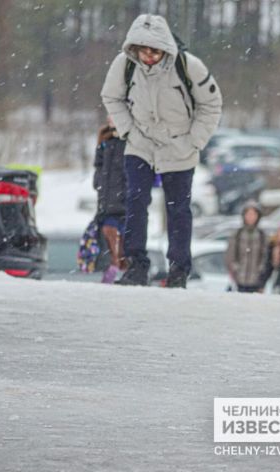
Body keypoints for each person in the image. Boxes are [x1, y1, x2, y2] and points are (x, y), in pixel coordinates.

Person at [101, 14, 222, 287]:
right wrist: (129, 131)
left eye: (154, 50)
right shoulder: (124, 66)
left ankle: (178, 270)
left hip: (179, 146)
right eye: (143, 49)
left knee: (178, 209)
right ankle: (135, 265)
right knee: (135, 202)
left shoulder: (189, 66)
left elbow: (212, 104)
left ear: (165, 47)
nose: (148, 56)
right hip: (140, 143)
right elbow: (111, 97)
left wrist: (194, 141)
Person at [93, 118, 127, 284]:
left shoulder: (128, 140)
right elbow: (98, 166)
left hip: (124, 205)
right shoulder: (105, 139)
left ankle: (120, 273)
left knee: (122, 248)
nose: (110, 118)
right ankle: (110, 274)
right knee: (109, 244)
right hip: (107, 206)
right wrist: (98, 182)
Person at [225, 201, 268, 293]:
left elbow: (265, 256)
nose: (251, 217)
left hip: (256, 281)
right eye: (248, 214)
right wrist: (235, 270)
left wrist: (261, 273)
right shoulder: (238, 234)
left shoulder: (262, 235)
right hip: (239, 280)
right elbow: (230, 255)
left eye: (253, 214)